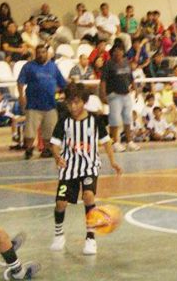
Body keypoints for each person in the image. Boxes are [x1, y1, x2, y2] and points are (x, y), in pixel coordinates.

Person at [49, 83, 123, 255]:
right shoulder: (64, 120)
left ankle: (90, 238)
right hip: (69, 167)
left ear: (84, 101)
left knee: (88, 196)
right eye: (69, 103)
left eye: (76, 102)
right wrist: (57, 157)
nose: (73, 106)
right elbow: (54, 143)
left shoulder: (95, 120)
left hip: (89, 166)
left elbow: (106, 141)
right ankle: (58, 234)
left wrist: (113, 162)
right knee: (60, 203)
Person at [17, 44, 67, 159]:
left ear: (47, 53)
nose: (41, 55)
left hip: (50, 105)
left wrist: (62, 91)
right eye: (38, 52)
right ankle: (29, 149)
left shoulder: (53, 67)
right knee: (30, 132)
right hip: (33, 105)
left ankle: (47, 150)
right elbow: (20, 82)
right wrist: (21, 96)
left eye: (43, 52)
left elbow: (62, 83)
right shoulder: (28, 66)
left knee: (50, 131)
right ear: (35, 54)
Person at [100, 45, 140, 152]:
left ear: (123, 52)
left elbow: (131, 78)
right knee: (114, 119)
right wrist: (103, 94)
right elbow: (103, 81)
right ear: (112, 53)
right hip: (114, 95)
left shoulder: (126, 63)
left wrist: (136, 90)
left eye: (120, 51)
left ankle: (129, 141)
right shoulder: (108, 64)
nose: (118, 53)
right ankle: (115, 142)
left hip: (126, 94)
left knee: (128, 118)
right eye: (116, 51)